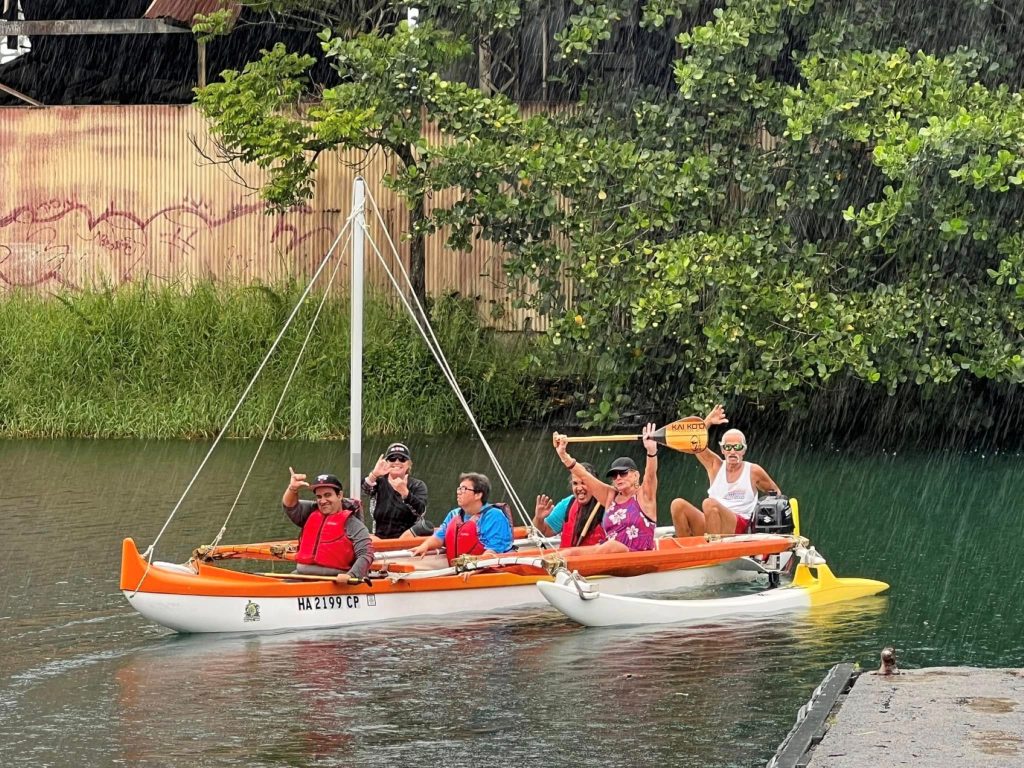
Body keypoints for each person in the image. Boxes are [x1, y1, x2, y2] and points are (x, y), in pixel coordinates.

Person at [672, 404, 782, 535]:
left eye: (737, 447)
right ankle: (686, 546)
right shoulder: (715, 465)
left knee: (709, 504)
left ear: (744, 450)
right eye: (728, 447)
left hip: (740, 525)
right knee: (677, 505)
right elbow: (693, 441)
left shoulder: (753, 471)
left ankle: (714, 546)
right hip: (712, 521)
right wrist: (707, 422)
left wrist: (767, 519)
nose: (733, 452)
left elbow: (776, 493)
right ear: (722, 450)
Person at [552, 423, 660, 553]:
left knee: (612, 546)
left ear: (636, 475)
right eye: (614, 475)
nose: (618, 477)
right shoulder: (611, 496)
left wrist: (651, 451)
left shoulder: (644, 495)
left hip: (636, 556)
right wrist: (563, 455)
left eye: (623, 473)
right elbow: (584, 475)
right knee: (571, 552)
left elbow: (650, 474)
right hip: (608, 554)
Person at [283, 468, 374, 582]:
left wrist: (351, 575)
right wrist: (292, 488)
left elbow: (366, 554)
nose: (323, 501)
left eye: (327, 495)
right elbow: (289, 506)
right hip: (302, 576)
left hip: (335, 581)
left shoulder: (353, 524)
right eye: (319, 497)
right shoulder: (310, 512)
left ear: (339, 495)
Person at [409, 472, 514, 563]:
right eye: (459, 488)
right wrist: (425, 546)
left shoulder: (494, 516)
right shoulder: (454, 514)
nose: (459, 492)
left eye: (464, 489)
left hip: (488, 569)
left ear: (478, 495)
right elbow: (439, 536)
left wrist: (475, 567)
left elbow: (494, 550)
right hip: (460, 568)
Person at [361, 441, 430, 540]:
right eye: (392, 458)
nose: (397, 462)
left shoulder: (417, 485)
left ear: (409, 464)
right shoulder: (378, 482)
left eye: (402, 459)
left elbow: (421, 511)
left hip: (408, 540)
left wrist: (406, 494)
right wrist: (374, 474)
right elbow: (362, 491)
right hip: (380, 540)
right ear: (386, 462)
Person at [533, 461, 607, 548]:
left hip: (594, 556)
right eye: (575, 483)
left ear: (595, 483)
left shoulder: (607, 505)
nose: (579, 488)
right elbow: (543, 532)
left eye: (584, 483)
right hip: (566, 556)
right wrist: (539, 518)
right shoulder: (567, 504)